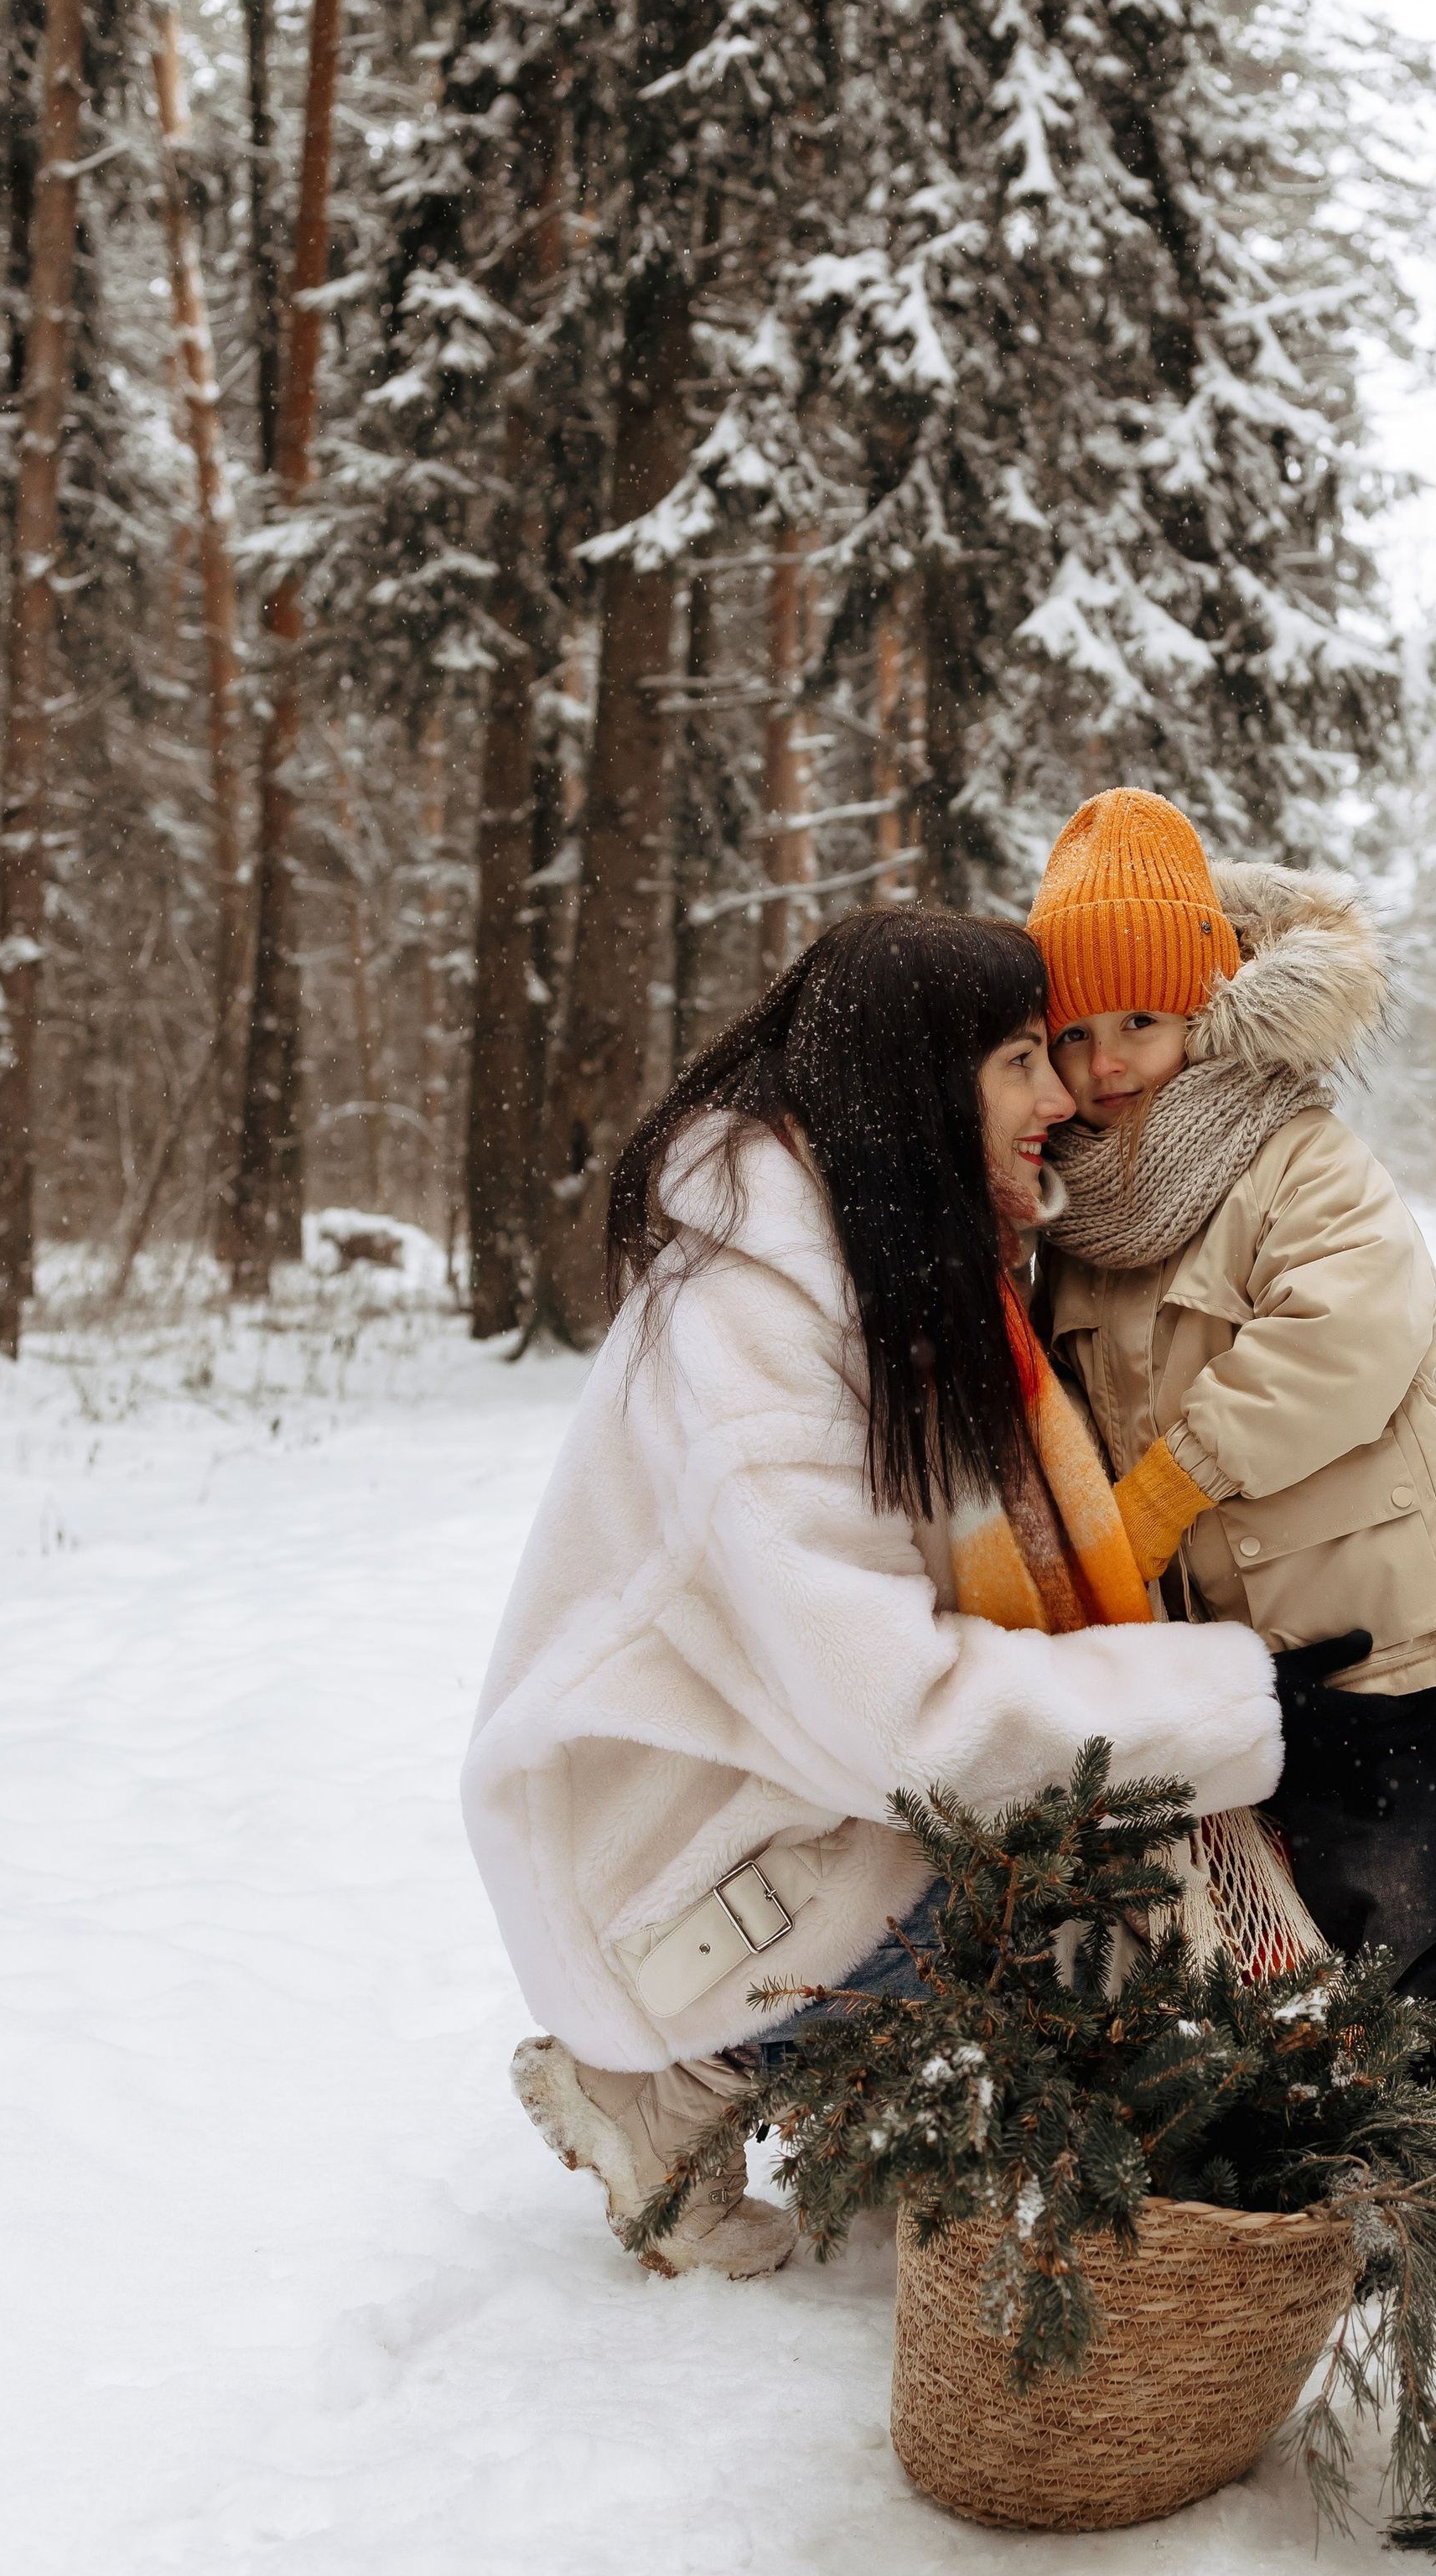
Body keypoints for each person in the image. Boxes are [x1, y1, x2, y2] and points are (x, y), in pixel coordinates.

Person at [461, 909, 1283, 2277]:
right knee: (1064, 1906)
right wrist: (1225, 1702)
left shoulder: (872, 1256)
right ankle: (669, 2077)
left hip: (774, 1791)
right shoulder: (752, 1328)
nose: (1061, 1095)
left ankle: (706, 2076)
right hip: (672, 1864)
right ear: (918, 1086)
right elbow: (908, 1719)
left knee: (1077, 1849)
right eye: (1020, 1061)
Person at [1027, 788, 1436, 2079]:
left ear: (1205, 1006)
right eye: (1076, 1033)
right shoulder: (1077, 1220)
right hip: (1227, 1646)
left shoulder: (1292, 1152)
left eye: (1140, 1022)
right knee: (1281, 1922)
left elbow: (1350, 1331)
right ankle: (1335, 2141)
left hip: (1368, 1613)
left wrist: (1174, 1481)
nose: (1107, 1061)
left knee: (1410, 1911)